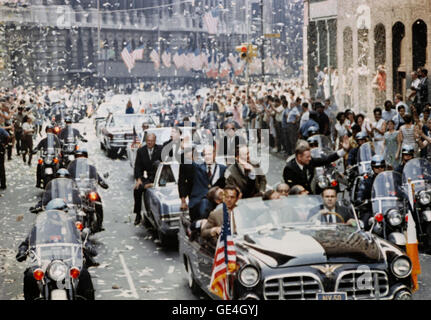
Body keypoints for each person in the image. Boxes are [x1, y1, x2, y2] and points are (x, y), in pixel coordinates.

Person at [179, 143, 226, 222]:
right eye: (205, 154)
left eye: (209, 154)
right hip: (199, 204)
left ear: (215, 154)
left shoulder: (222, 169)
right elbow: (185, 164)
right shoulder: (197, 168)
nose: (207, 157)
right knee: (204, 203)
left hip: (216, 204)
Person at [283, 137, 350, 192]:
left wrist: (344, 150)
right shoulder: (289, 169)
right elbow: (292, 189)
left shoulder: (309, 161)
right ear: (299, 157)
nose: (310, 159)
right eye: (307, 157)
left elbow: (326, 160)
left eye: (310, 156)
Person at [133, 133, 162, 225]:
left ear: (155, 141)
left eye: (151, 141)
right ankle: (138, 214)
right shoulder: (141, 151)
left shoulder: (160, 150)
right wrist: (138, 179)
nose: (149, 143)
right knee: (137, 189)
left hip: (158, 177)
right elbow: (137, 166)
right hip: (145, 177)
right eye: (148, 141)